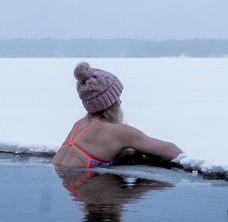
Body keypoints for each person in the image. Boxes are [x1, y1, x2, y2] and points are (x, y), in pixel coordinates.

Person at [52, 62, 183, 168]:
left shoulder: (79, 124)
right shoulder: (119, 132)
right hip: (87, 187)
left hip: (67, 186)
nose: (120, 101)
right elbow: (172, 151)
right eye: (117, 98)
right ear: (111, 103)